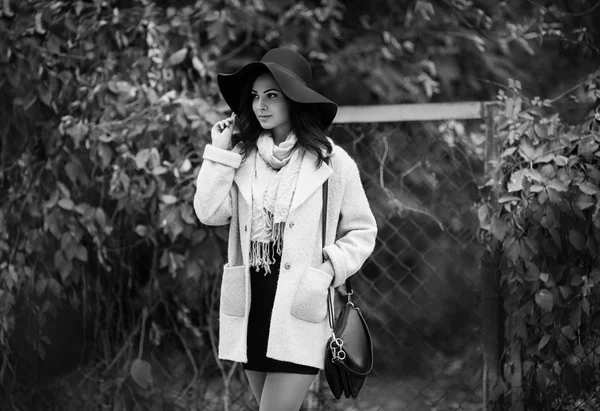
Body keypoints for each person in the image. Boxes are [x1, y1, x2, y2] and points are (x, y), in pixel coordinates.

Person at [193, 48, 377, 411]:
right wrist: (219, 152)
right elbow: (209, 212)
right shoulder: (241, 158)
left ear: (294, 99)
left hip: (299, 306)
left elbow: (362, 231)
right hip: (252, 309)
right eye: (255, 96)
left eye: (272, 95)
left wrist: (327, 270)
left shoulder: (331, 162)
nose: (261, 105)